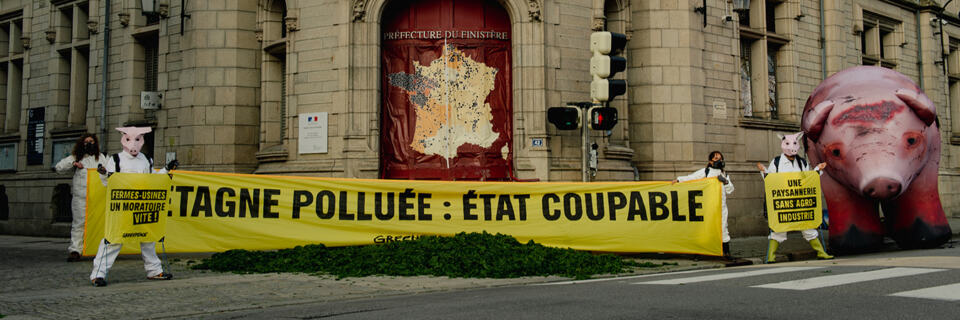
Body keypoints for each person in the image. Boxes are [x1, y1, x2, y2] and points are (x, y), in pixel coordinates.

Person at [90, 127, 178, 287]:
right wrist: (103, 173)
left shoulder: (146, 160)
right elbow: (108, 181)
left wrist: (166, 169)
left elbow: (153, 180)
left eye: (138, 140)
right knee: (113, 239)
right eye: (130, 140)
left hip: (143, 205)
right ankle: (98, 274)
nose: (134, 146)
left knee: (148, 237)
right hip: (122, 207)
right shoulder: (116, 160)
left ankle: (154, 270)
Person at [757, 132, 833, 263]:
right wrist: (764, 171)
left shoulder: (802, 162)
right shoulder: (776, 162)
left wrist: (817, 170)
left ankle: (821, 252)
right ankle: (771, 256)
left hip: (799, 200)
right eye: (788, 144)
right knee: (779, 228)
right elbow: (770, 180)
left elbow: (807, 178)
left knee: (807, 225)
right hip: (784, 201)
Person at [55, 134, 108, 262]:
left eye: (91, 141)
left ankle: (99, 249)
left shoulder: (101, 157)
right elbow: (58, 167)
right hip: (81, 197)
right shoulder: (76, 157)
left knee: (99, 223)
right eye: (86, 142)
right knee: (79, 223)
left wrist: (104, 171)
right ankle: (75, 250)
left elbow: (109, 173)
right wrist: (73, 163)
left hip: (98, 196)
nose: (89, 144)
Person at [673, 151, 735, 258]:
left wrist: (725, 182)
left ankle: (726, 252)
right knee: (704, 229)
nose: (718, 161)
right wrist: (679, 180)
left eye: (720, 158)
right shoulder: (705, 172)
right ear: (711, 161)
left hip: (721, 207)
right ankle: (701, 252)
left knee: (723, 229)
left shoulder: (724, 174)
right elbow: (691, 177)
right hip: (707, 206)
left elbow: (730, 190)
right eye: (716, 159)